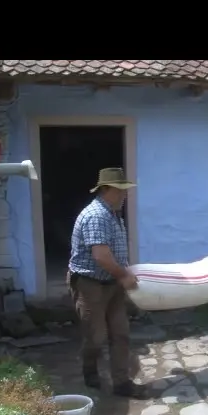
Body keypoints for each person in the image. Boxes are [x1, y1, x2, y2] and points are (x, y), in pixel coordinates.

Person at [67, 167, 148, 399]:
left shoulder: (112, 213)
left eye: (125, 190)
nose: (124, 195)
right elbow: (101, 255)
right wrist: (124, 276)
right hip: (89, 283)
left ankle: (122, 383)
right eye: (120, 190)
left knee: (120, 332)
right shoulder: (96, 215)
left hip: (110, 282)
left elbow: (112, 253)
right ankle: (90, 372)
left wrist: (121, 273)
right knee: (96, 335)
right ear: (105, 190)